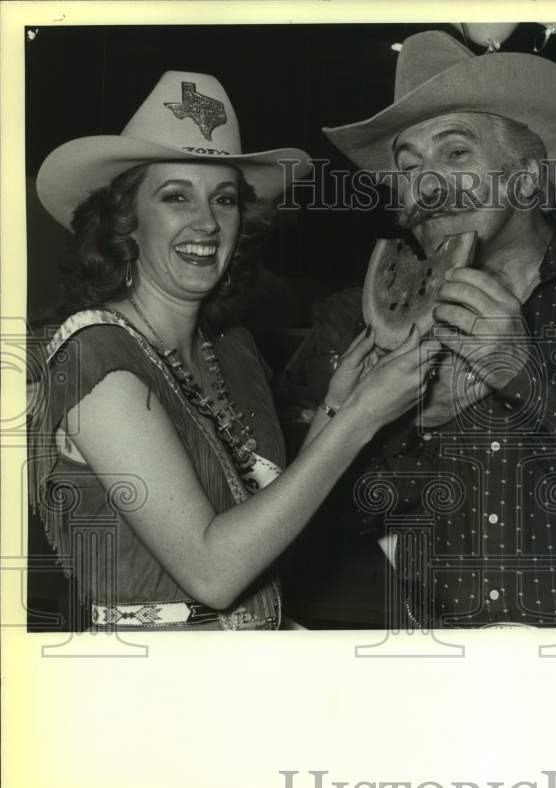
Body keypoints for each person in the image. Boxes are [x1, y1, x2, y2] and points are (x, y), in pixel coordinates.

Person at [321, 31, 556, 628]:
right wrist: (400, 423)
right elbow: (348, 517)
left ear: (526, 180)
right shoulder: (392, 314)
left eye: (454, 154)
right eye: (409, 166)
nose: (425, 186)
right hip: (438, 652)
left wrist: (530, 380)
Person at [29, 71, 436, 630]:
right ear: (126, 222)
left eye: (224, 199)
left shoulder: (232, 349)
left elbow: (267, 524)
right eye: (176, 197)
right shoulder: (96, 357)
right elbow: (213, 572)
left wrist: (338, 405)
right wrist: (361, 419)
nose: (206, 222)